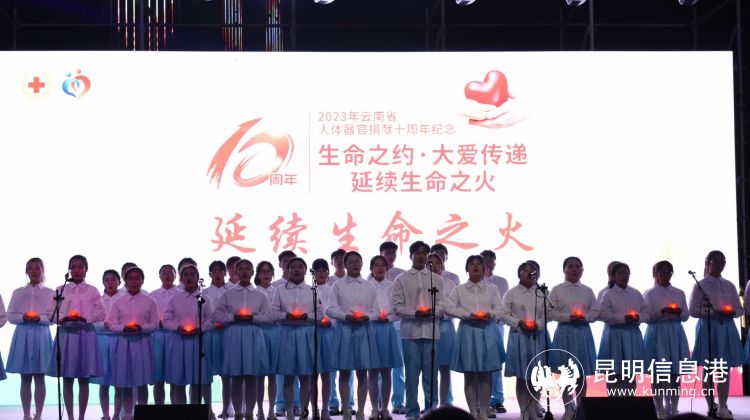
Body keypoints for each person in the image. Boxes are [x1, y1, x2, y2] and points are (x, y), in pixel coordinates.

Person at [46, 254, 105, 420]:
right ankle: (70, 417)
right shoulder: (61, 289)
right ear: (69, 270)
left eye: (80, 267)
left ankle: (81, 417)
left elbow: (102, 312)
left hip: (85, 334)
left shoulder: (92, 290)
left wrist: (85, 317)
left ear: (86, 269)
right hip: (66, 335)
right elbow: (50, 312)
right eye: (73, 267)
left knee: (84, 378)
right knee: (67, 378)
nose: (77, 270)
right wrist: (63, 317)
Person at [445, 255, 504, 420]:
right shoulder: (459, 289)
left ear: (485, 269)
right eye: (471, 264)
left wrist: (489, 314)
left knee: (486, 374)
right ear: (467, 269)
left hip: (487, 331)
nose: (475, 266)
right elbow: (447, 307)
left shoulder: (492, 289)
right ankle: (472, 411)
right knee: (470, 374)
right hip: (468, 331)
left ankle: (484, 410)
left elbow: (500, 309)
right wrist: (467, 315)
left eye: (479, 264)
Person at [391, 241, 444, 420]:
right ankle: (412, 412)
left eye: (424, 253)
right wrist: (415, 313)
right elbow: (396, 307)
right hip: (410, 333)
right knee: (411, 376)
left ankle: (432, 412)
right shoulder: (401, 279)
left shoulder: (436, 279)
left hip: (431, 332)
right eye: (418, 253)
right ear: (411, 255)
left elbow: (442, 304)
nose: (421, 256)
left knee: (431, 376)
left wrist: (433, 311)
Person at [214, 259, 272, 420]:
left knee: (252, 377)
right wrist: (233, 317)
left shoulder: (260, 295)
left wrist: (253, 318)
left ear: (253, 272)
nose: (245, 272)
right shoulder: (228, 293)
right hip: (234, 335)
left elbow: (269, 317)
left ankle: (249, 413)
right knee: (236, 377)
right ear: (236, 272)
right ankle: (238, 413)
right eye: (241, 269)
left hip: (253, 335)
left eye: (248, 269)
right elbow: (217, 315)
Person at [689, 250, 742, 419]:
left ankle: (723, 405)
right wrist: (713, 313)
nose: (720, 264)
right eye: (716, 261)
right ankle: (711, 404)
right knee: (709, 369)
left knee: (724, 369)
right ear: (708, 263)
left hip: (726, 329)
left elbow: (739, 309)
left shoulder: (729, 285)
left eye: (723, 261)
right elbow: (692, 310)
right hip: (708, 328)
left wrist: (731, 313)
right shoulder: (700, 285)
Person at [327, 251, 379, 420]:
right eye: (351, 262)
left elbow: (376, 311)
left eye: (357, 261)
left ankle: (361, 410)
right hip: (344, 330)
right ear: (345, 264)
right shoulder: (338, 285)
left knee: (362, 372)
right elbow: (330, 309)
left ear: (362, 264)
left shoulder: (369, 286)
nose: (355, 264)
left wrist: (367, 317)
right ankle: (346, 410)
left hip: (364, 330)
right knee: (344, 372)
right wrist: (345, 316)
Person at [548, 257, 600, 420]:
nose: (574, 269)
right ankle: (568, 409)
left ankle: (580, 408)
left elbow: (596, 311)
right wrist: (567, 317)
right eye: (570, 266)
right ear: (564, 270)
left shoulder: (587, 290)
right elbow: (550, 312)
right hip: (565, 332)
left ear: (582, 270)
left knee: (581, 374)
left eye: (577, 266)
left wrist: (586, 317)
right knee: (566, 374)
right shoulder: (556, 290)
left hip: (582, 332)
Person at [270, 257, 322, 419]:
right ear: (287, 270)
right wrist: (285, 316)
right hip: (287, 334)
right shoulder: (280, 290)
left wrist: (308, 316)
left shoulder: (312, 290)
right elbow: (272, 313)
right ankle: (290, 412)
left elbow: (321, 313)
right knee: (288, 377)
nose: (296, 269)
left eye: (300, 267)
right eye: (293, 267)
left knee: (306, 377)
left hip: (306, 334)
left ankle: (304, 412)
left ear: (306, 271)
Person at [499, 261, 551, 420]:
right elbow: (503, 313)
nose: (530, 273)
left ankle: (534, 408)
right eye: (526, 270)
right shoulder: (511, 293)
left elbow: (548, 313)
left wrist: (538, 324)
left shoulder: (543, 292)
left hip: (538, 335)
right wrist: (518, 322)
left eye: (533, 270)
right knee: (522, 376)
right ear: (519, 273)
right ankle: (524, 410)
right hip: (519, 335)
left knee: (537, 374)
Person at [107, 266, 159, 420]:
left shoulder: (150, 301)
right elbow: (112, 324)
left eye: (137, 278)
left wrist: (141, 328)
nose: (134, 281)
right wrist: (124, 328)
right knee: (126, 381)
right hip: (124, 344)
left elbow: (154, 323)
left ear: (142, 281)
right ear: (125, 281)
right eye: (130, 278)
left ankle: (142, 413)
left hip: (142, 343)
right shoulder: (118, 301)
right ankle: (128, 414)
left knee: (142, 381)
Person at [163, 262, 215, 408]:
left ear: (198, 278)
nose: (189, 277)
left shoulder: (204, 299)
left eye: (192, 274)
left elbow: (211, 320)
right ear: (181, 279)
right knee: (179, 380)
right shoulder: (175, 299)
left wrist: (200, 328)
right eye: (186, 275)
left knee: (198, 379)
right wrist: (177, 327)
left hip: (198, 342)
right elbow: (166, 320)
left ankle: (199, 411)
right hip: (179, 342)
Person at [643, 260, 689, 419]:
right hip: (657, 332)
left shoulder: (679, 292)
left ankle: (674, 407)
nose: (665, 274)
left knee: (675, 373)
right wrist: (662, 313)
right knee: (658, 373)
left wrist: (678, 312)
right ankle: (660, 408)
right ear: (655, 274)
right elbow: (647, 317)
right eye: (662, 271)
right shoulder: (649, 293)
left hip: (675, 332)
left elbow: (686, 315)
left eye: (668, 271)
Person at [8, 257, 53, 420]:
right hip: (23, 334)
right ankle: (26, 414)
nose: (34, 271)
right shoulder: (18, 292)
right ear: (26, 271)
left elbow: (53, 317)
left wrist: (39, 318)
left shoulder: (50, 293)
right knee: (25, 377)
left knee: (40, 377)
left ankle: (38, 414)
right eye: (30, 268)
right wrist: (23, 317)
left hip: (41, 334)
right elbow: (10, 315)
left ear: (43, 271)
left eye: (37, 268)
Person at [598, 262, 649, 393]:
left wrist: (638, 318)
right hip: (614, 335)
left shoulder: (635, 293)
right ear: (613, 276)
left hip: (632, 335)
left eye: (626, 273)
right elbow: (604, 315)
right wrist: (623, 319)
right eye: (620, 273)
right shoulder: (607, 294)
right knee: (614, 373)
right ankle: (615, 401)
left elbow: (646, 313)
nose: (624, 276)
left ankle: (630, 400)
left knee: (630, 373)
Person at [368, 255, 403, 420]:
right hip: (372, 329)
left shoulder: (392, 286)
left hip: (388, 329)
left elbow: (398, 309)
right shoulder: (366, 286)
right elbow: (363, 308)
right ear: (371, 268)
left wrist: (388, 318)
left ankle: (385, 408)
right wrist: (374, 317)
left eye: (383, 265)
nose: (380, 268)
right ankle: (375, 408)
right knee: (373, 371)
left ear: (387, 269)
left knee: (387, 371)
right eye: (376, 265)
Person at [203, 260, 234, 419]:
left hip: (227, 333)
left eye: (220, 271)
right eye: (213, 271)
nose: (217, 274)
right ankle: (208, 409)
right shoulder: (204, 292)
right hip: (209, 334)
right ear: (210, 274)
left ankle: (226, 408)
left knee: (226, 374)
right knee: (206, 373)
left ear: (225, 273)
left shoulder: (232, 291)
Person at [480, 250, 508, 415]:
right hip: (478, 325)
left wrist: (498, 316)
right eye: (485, 261)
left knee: (495, 364)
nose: (488, 264)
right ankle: (481, 401)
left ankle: (497, 400)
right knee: (479, 364)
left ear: (495, 263)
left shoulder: (501, 281)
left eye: (491, 261)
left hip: (496, 325)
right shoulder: (474, 281)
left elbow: (504, 304)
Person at [379, 241, 406, 415]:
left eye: (394, 253)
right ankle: (380, 402)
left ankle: (398, 402)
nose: (391, 255)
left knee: (398, 367)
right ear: (381, 254)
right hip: (379, 327)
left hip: (398, 326)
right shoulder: (371, 275)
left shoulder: (401, 274)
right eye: (388, 252)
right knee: (379, 367)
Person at [92, 269, 123, 420]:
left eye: (113, 280)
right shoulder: (97, 300)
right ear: (103, 282)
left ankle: (116, 415)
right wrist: (103, 326)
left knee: (119, 381)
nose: (110, 283)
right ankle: (105, 415)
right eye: (107, 280)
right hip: (102, 341)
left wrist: (115, 326)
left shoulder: (124, 299)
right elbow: (91, 321)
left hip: (119, 341)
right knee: (103, 382)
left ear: (119, 282)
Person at [149, 264, 181, 405]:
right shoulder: (152, 295)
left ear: (175, 276)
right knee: (158, 377)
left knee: (175, 376)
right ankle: (159, 408)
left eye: (170, 273)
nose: (167, 275)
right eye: (164, 273)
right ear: (159, 276)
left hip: (176, 336)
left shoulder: (181, 294)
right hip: (157, 337)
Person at [428, 253, 456, 408]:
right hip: (427, 327)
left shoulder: (450, 284)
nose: (433, 266)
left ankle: (444, 404)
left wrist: (441, 313)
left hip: (445, 328)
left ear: (442, 265)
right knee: (430, 369)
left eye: (436, 263)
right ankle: (431, 404)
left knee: (445, 369)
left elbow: (453, 307)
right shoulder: (422, 282)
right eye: (429, 263)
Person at [255, 261, 280, 420]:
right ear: (257, 274)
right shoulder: (253, 292)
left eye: (269, 271)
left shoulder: (277, 291)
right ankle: (260, 410)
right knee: (259, 375)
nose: (266, 274)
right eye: (263, 271)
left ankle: (271, 410)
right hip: (258, 334)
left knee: (272, 375)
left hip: (275, 333)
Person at [310, 259, 335, 420]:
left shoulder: (333, 290)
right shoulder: (309, 290)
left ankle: (325, 409)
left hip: (328, 334)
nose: (320, 273)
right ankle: (314, 410)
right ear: (312, 273)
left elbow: (338, 310)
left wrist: (330, 320)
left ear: (328, 272)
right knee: (312, 375)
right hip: (311, 333)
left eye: (323, 270)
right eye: (317, 270)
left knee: (327, 374)